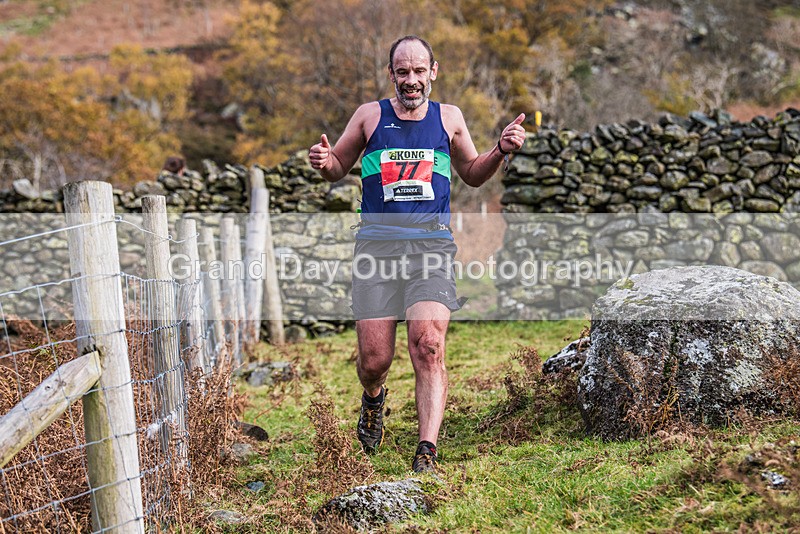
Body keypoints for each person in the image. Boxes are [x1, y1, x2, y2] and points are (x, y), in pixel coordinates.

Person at [309, 35, 526, 474]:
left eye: (419, 71)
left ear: (434, 71)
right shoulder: (370, 116)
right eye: (402, 72)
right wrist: (323, 160)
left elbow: (472, 173)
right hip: (376, 249)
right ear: (391, 74)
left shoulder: (451, 118)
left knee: (428, 345)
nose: (411, 80)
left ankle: (426, 449)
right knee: (374, 361)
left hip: (431, 246)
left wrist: (499, 150)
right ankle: (374, 400)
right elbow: (338, 167)